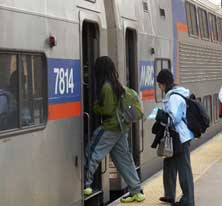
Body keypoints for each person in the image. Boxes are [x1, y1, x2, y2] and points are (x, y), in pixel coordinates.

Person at [84, 56, 145, 203]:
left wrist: (95, 107)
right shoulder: (116, 84)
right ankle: (137, 191)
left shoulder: (106, 87)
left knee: (92, 152)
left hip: (110, 127)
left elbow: (107, 109)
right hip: (121, 128)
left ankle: (85, 184)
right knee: (124, 160)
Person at [155, 69, 195, 206]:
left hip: (180, 137)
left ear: (164, 84)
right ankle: (169, 195)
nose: (159, 87)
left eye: (160, 84)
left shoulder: (174, 97)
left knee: (184, 168)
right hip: (175, 136)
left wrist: (160, 116)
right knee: (169, 164)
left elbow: (174, 119)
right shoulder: (173, 94)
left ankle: (188, 200)